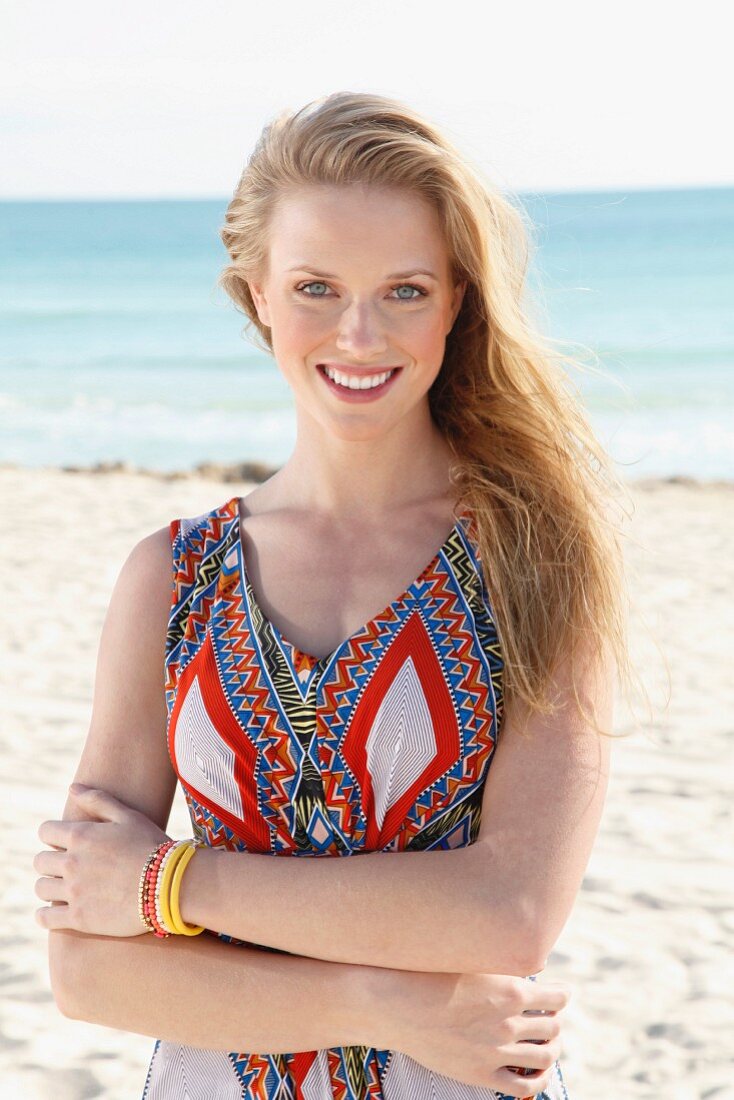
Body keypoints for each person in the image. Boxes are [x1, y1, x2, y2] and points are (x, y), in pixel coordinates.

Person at [33, 91, 639, 1099]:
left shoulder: (536, 559)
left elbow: (509, 910)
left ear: (457, 301)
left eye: (404, 290)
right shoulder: (172, 579)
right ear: (257, 294)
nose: (358, 334)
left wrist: (166, 882)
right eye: (315, 286)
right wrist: (377, 1000)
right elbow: (86, 967)